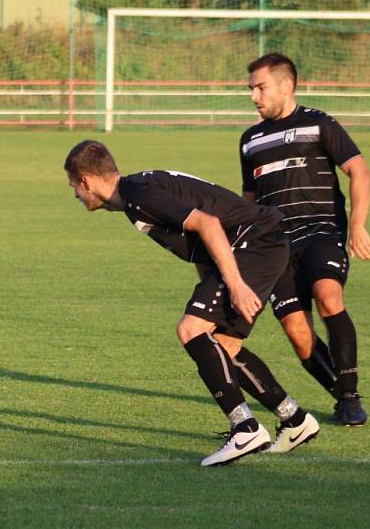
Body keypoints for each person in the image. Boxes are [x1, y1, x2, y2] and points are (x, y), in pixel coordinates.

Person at [64, 140, 319, 467]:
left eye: (73, 185)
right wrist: (212, 290)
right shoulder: (137, 191)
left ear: (86, 180)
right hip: (261, 240)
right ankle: (295, 420)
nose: (74, 194)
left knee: (190, 329)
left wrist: (236, 285)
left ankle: (245, 427)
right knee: (224, 347)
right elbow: (203, 240)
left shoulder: (138, 194)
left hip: (254, 242)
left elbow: (208, 224)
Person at [240, 53, 370, 426]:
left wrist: (358, 226)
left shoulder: (319, 124)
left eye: (260, 87)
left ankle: (350, 398)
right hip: (276, 247)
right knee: (298, 334)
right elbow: (249, 201)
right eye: (251, 88)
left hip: (321, 231)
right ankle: (340, 391)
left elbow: (358, 171)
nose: (254, 95)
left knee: (328, 296)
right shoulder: (249, 140)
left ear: (287, 86)